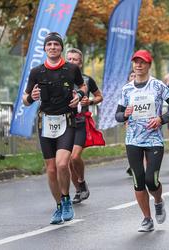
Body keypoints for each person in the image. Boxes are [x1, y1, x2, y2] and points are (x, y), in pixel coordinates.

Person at [22, 32, 85, 224]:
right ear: (44, 48)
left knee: (61, 164)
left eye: (56, 44)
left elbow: (83, 87)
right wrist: (31, 97)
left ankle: (66, 200)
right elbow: (25, 100)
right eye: (49, 44)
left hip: (66, 120)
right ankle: (59, 205)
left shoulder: (71, 69)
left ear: (61, 48)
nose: (52, 47)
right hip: (45, 122)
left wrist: (79, 97)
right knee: (50, 170)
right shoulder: (36, 72)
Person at [115, 50, 169, 232]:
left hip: (154, 139)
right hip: (133, 140)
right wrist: (124, 114)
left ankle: (158, 201)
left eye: (142, 62)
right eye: (135, 62)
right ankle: (147, 218)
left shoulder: (158, 86)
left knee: (151, 180)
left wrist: (161, 119)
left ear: (149, 65)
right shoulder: (127, 89)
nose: (138, 65)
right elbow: (118, 115)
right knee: (138, 180)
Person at [66, 48, 103, 204]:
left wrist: (91, 101)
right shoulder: (59, 79)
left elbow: (99, 96)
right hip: (65, 123)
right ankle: (78, 190)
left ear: (80, 63)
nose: (72, 62)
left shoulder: (87, 80)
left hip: (81, 122)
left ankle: (81, 180)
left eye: (75, 59)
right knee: (67, 161)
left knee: (75, 157)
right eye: (69, 59)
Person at [125, 70, 136, 177]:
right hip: (130, 120)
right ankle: (132, 164)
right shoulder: (126, 91)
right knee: (130, 142)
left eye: (134, 75)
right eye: (131, 76)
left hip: (143, 121)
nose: (133, 77)